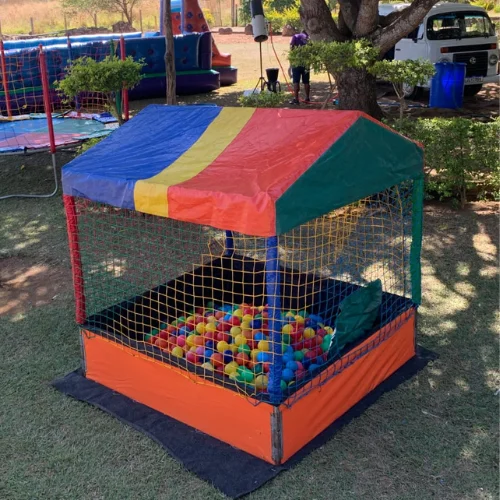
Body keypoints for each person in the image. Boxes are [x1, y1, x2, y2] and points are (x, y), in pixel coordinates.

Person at [289, 30, 310, 104]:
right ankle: (307, 98)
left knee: (296, 81)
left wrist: (290, 64)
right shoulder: (308, 38)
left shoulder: (295, 36)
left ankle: (296, 99)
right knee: (306, 81)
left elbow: (291, 48)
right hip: (305, 63)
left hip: (296, 62)